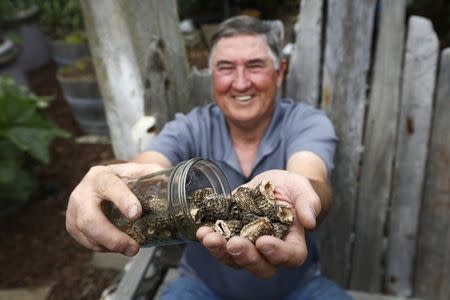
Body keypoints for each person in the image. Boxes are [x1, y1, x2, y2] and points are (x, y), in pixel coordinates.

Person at [66, 16, 352, 300]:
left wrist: (303, 190)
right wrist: (106, 179)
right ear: (212, 75)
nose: (240, 83)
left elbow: (312, 178)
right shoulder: (189, 127)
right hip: (201, 287)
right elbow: (144, 166)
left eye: (255, 66)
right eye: (226, 68)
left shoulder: (306, 122)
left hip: (296, 287)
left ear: (279, 73)